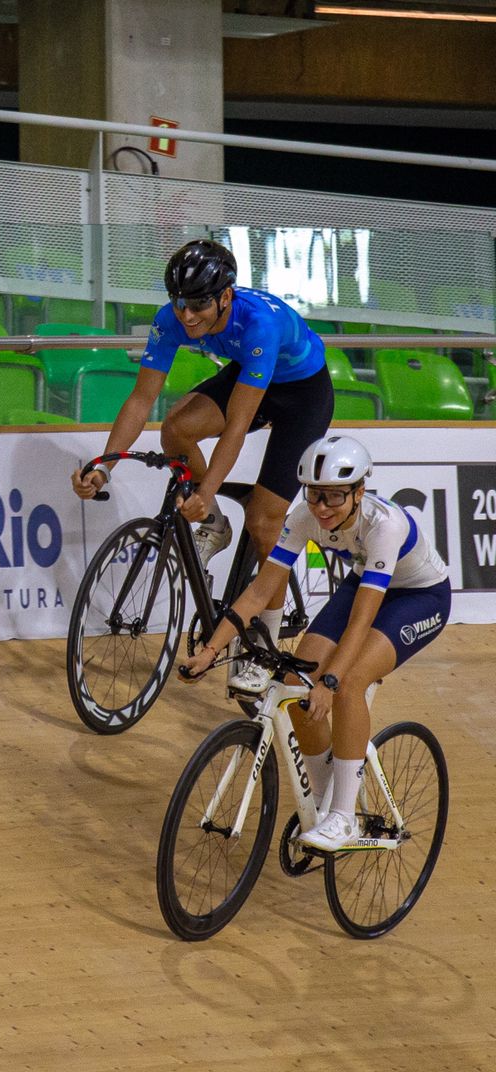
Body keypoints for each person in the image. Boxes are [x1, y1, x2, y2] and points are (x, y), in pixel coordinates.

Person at [71, 238, 334, 694]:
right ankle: (212, 526)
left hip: (302, 394)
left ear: (225, 296)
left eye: (198, 305)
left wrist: (206, 489)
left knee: (264, 520)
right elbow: (141, 400)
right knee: (175, 429)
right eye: (179, 304)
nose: (187, 316)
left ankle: (266, 640)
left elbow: (237, 427)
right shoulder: (170, 319)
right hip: (251, 374)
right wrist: (105, 465)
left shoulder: (259, 325)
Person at [176, 435, 451, 851]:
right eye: (315, 496)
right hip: (366, 584)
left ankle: (344, 818)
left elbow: (362, 619)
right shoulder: (302, 516)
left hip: (418, 597)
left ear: (359, 492)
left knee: (351, 681)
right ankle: (329, 795)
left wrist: (333, 680)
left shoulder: (385, 527)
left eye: (334, 498)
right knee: (294, 680)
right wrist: (210, 651)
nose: (322, 508)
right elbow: (257, 592)